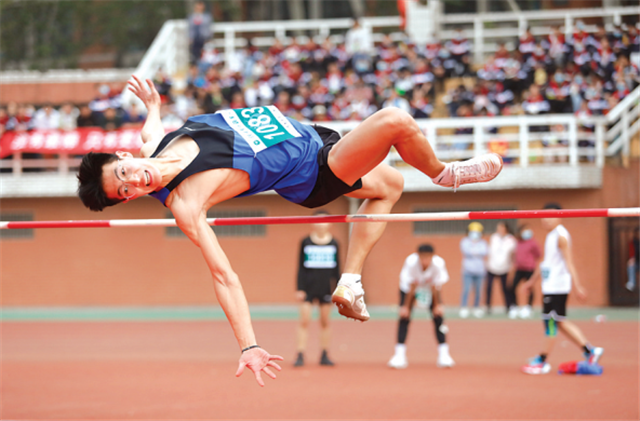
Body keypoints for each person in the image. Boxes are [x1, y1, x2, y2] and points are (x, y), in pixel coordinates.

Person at [77, 76, 502, 386]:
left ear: (123, 154)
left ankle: (350, 281)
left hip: (312, 138)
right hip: (315, 170)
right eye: (127, 191)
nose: (137, 181)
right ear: (130, 200)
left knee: (390, 185)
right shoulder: (186, 204)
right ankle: (446, 174)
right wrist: (248, 346)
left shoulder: (156, 147)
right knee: (395, 121)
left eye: (125, 173)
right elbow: (224, 276)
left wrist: (152, 106)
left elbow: (149, 133)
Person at [520, 203, 603, 375]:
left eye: (549, 216)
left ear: (560, 216)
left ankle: (542, 361)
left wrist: (577, 286)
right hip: (550, 286)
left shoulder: (561, 236)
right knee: (560, 321)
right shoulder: (551, 236)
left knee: (550, 322)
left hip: (557, 288)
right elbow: (545, 263)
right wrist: (531, 282)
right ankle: (590, 351)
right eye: (543, 216)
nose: (545, 219)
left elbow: (569, 262)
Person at [387, 244, 455, 369]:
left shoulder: (439, 264)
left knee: (438, 317)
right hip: (409, 290)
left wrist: (437, 305)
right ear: (418, 256)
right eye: (422, 258)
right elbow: (410, 286)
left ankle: (444, 355)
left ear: (432, 257)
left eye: (428, 258)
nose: (425, 261)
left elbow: (435, 286)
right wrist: (406, 307)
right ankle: (399, 355)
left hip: (430, 289)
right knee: (404, 318)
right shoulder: (411, 263)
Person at [294, 210, 340, 367]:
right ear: (312, 223)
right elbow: (300, 267)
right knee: (304, 320)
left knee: (325, 321)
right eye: (318, 221)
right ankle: (300, 354)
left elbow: (336, 269)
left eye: (325, 221)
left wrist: (338, 289)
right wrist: (299, 288)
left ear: (330, 223)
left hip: (326, 289)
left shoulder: (334, 243)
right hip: (308, 288)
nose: (321, 224)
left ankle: (324, 354)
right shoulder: (305, 242)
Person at [509, 224, 541, 319]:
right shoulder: (517, 242)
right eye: (525, 230)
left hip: (529, 269)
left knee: (530, 288)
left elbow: (539, 254)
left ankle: (528, 308)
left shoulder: (533, 243)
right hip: (519, 269)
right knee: (512, 287)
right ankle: (514, 306)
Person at [485, 222, 516, 315]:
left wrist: (511, 267)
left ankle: (508, 307)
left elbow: (512, 255)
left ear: (506, 228)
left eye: (501, 228)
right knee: (489, 288)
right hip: (491, 267)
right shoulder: (494, 237)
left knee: (505, 289)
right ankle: (488, 307)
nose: (499, 230)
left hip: (504, 268)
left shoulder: (511, 239)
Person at [459, 222, 488, 319]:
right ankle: (463, 307)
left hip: (480, 271)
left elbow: (484, 252)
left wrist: (474, 251)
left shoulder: (483, 242)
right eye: (473, 231)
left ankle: (476, 307)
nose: (475, 234)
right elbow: (467, 251)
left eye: (477, 232)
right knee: (466, 289)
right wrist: (476, 251)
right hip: (467, 270)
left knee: (479, 291)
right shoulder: (465, 241)